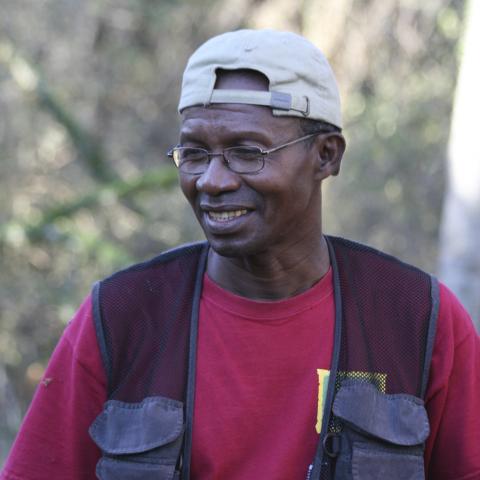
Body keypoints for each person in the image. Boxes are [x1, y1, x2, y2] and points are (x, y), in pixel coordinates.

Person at [2, 29, 479, 480]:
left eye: (248, 152)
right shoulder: (122, 317)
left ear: (327, 156)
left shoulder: (414, 319)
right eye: (193, 153)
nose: (212, 181)